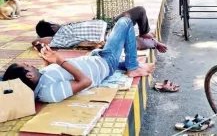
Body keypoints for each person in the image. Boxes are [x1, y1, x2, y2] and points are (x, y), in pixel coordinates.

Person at [2, 17, 154, 103]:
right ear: (29, 75)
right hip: (105, 63)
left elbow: (55, 72)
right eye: (28, 65)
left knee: (124, 42)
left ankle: (130, 65)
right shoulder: (47, 93)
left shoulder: (40, 78)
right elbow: (85, 82)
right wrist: (59, 60)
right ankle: (132, 67)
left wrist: (48, 59)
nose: (31, 65)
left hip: (96, 58)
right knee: (125, 22)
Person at [34, 6, 167, 53]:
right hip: (109, 37)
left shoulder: (66, 27)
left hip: (110, 24)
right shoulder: (58, 38)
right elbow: (36, 42)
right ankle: (154, 43)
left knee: (140, 10)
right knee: (134, 42)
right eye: (54, 23)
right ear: (52, 26)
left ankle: (145, 33)